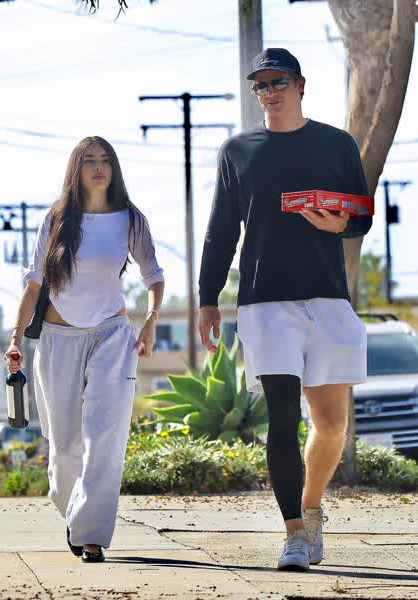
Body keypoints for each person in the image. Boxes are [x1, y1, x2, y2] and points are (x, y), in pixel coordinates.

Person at [198, 48, 372, 572]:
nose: (269, 92)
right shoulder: (238, 151)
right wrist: (208, 298)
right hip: (264, 301)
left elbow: (361, 212)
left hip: (328, 297)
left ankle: (311, 508)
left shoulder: (337, 143)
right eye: (261, 85)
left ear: (300, 85)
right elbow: (221, 230)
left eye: (278, 82)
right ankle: (294, 534)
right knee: (282, 419)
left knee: (332, 425)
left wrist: (341, 225)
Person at [5, 136, 164, 563]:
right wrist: (16, 339)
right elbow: (34, 285)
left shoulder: (130, 219)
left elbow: (153, 274)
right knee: (64, 447)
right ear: (76, 169)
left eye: (105, 160)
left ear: (114, 168)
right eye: (89, 160)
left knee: (105, 437)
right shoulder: (56, 218)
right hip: (58, 340)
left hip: (112, 335)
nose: (98, 167)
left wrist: (150, 321)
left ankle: (92, 535)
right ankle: (75, 512)